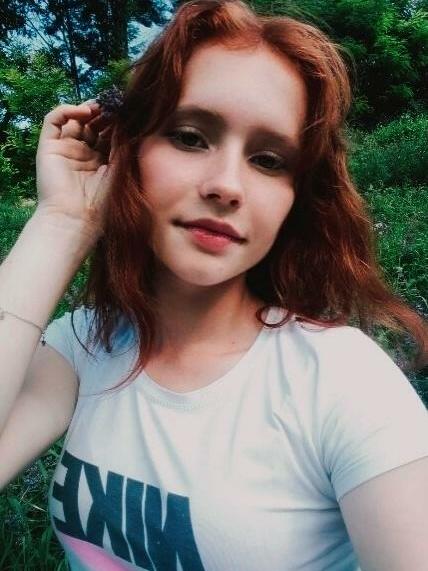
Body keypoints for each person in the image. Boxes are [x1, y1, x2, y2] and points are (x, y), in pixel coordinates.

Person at [0, 0, 427, 569]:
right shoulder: (83, 347)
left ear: (294, 199)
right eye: (190, 137)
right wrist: (61, 222)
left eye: (269, 160)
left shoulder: (344, 384)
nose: (227, 185)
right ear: (127, 150)